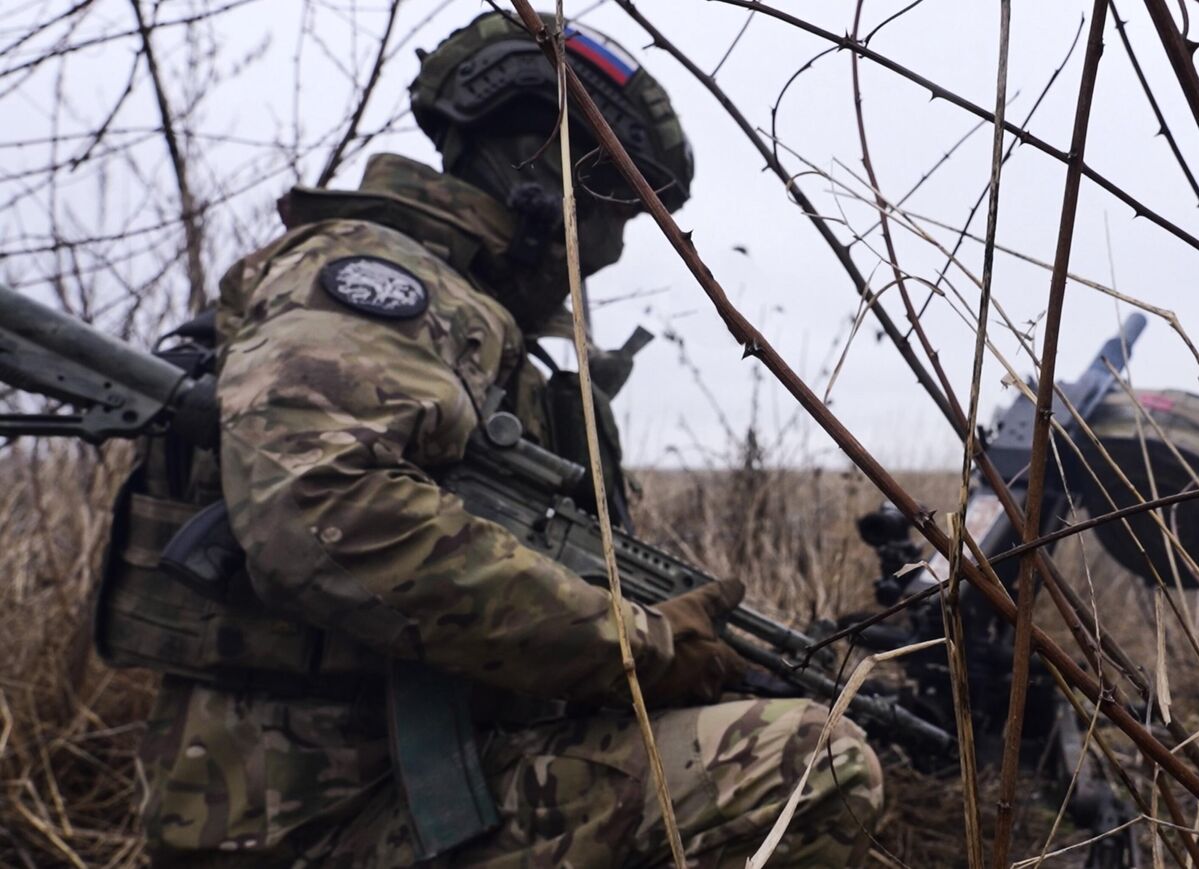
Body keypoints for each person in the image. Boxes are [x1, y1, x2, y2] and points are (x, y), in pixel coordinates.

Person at [98, 12, 883, 867]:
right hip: (308, 821)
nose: (614, 244)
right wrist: (637, 644)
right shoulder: (381, 279)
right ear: (541, 176)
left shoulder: (481, 333)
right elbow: (324, 508)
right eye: (613, 199)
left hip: (389, 796)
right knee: (809, 765)